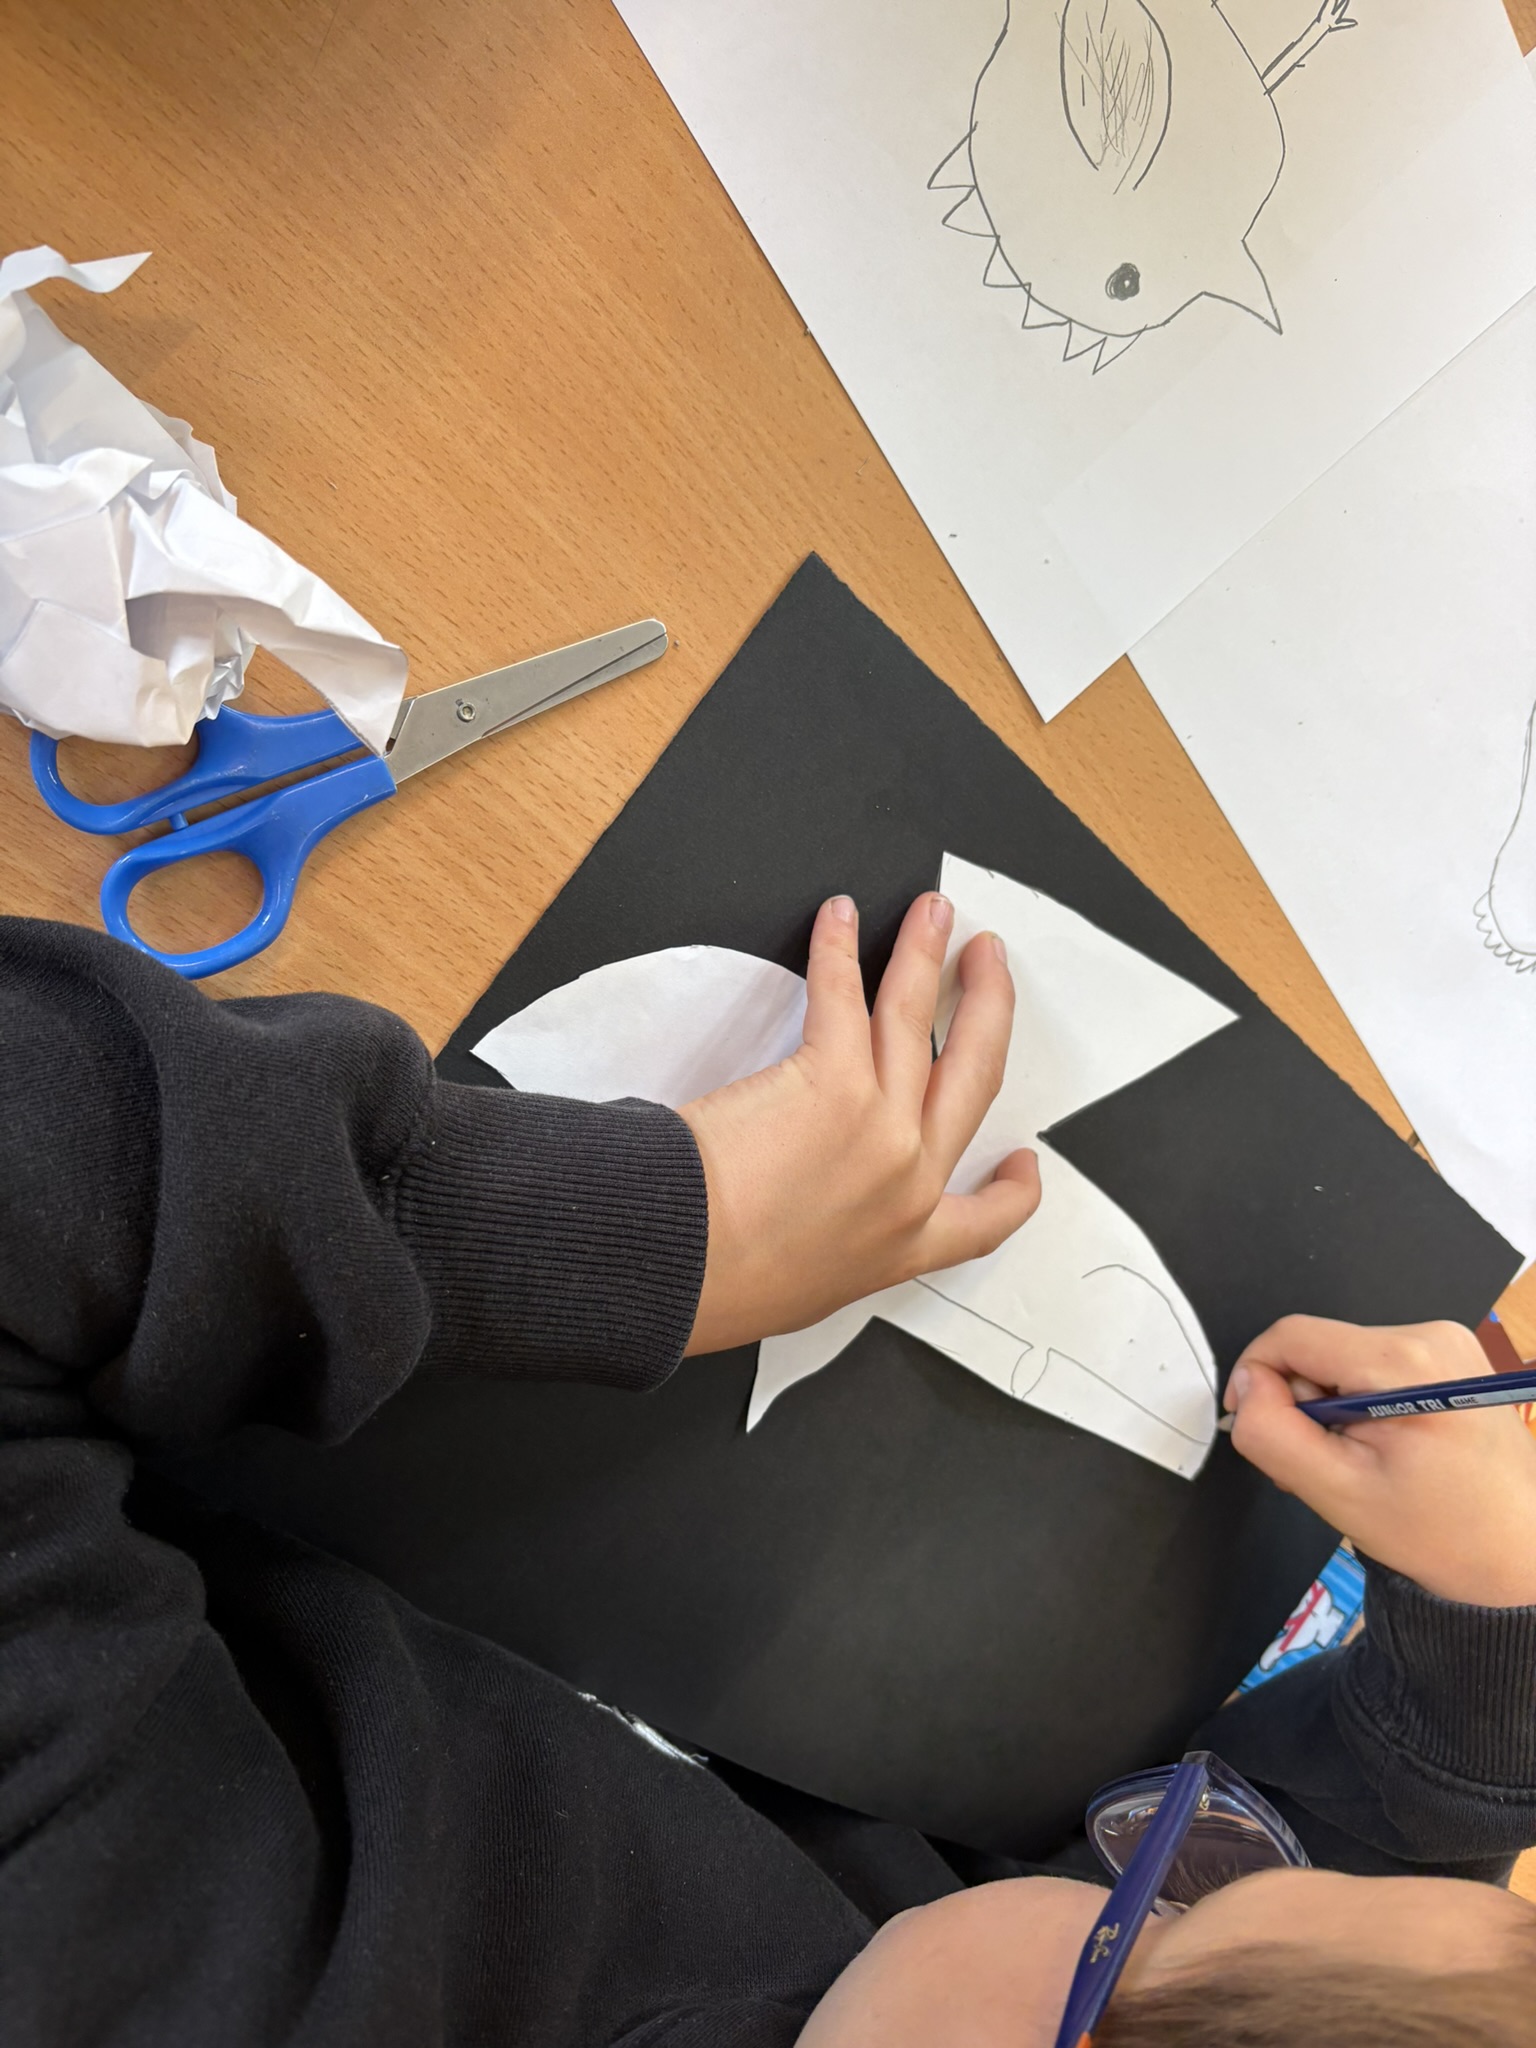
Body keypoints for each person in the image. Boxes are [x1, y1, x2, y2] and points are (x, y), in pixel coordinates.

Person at [1, 893, 1533, 2048]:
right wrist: (1494, 1636)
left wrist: (627, 1228)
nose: (1170, 1879)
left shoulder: (138, 1974)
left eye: (1161, 1916)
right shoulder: (982, 1993)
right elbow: (1351, 1877)